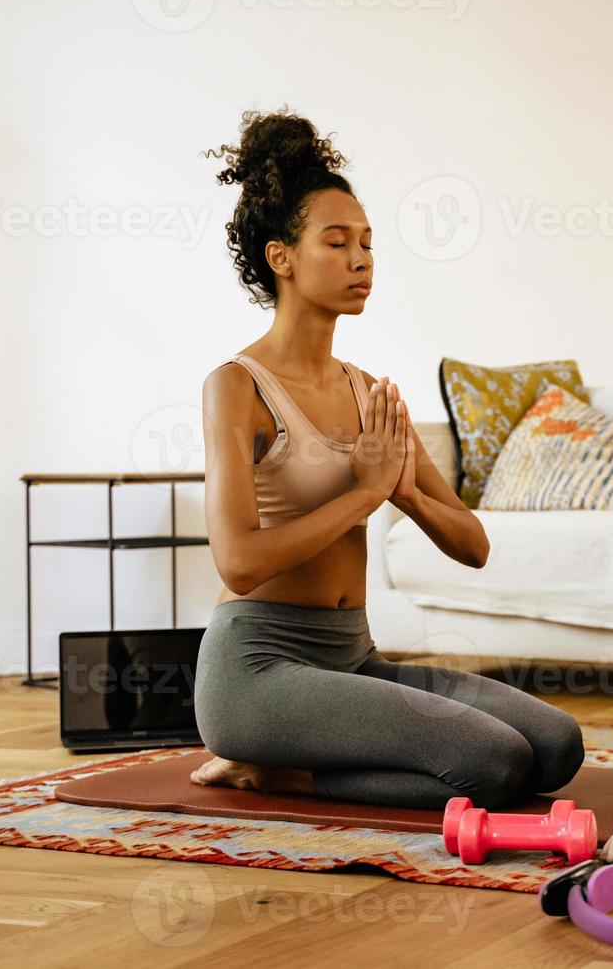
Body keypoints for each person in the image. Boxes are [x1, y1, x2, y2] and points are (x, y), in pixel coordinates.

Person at [190, 107, 585, 809]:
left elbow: (475, 545)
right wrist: (364, 495)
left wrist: (404, 494)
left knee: (555, 747)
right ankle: (275, 768)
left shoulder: (370, 394)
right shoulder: (237, 387)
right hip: (256, 669)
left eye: (368, 243)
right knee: (492, 765)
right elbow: (238, 563)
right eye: (336, 242)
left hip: (353, 655)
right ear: (281, 257)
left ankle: (297, 765)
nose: (361, 259)